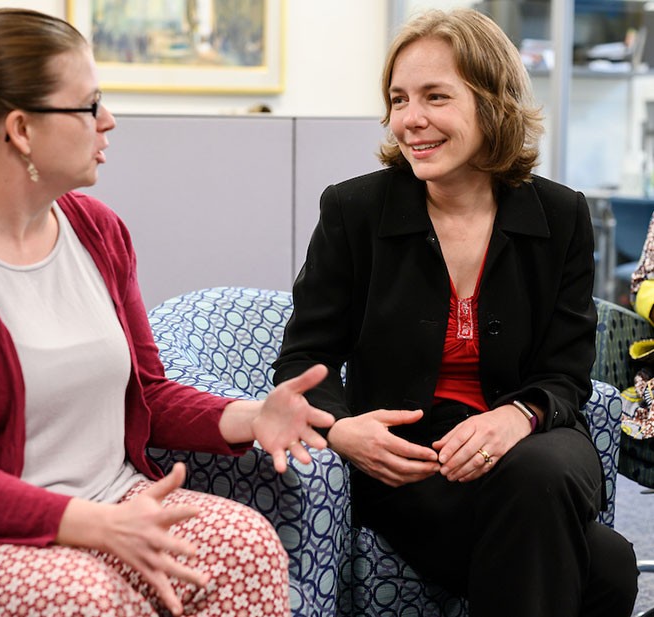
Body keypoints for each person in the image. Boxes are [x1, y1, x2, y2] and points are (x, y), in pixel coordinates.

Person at [0, 8, 335, 617]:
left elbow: (148, 395)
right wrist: (97, 527)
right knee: (86, 597)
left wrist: (249, 416)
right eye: (88, 105)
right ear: (21, 129)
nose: (108, 121)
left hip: (113, 501)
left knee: (245, 548)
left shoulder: (98, 231)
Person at [272, 8, 638, 617]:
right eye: (398, 99)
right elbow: (302, 359)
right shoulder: (353, 211)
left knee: (538, 476)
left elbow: (567, 373)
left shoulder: (561, 215)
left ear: (491, 103)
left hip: (535, 440)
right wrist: (342, 429)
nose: (410, 120)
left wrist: (516, 416)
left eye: (435, 96)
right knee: (608, 567)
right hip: (411, 464)